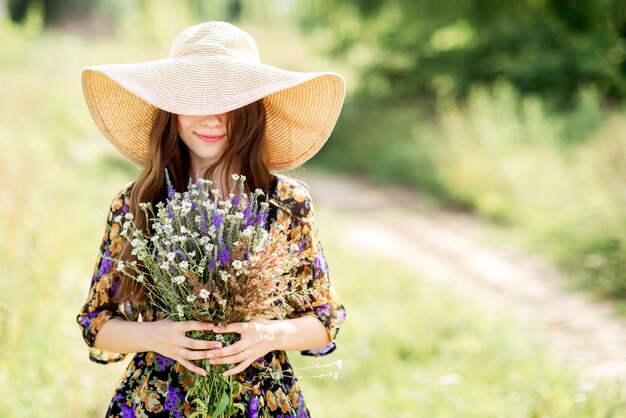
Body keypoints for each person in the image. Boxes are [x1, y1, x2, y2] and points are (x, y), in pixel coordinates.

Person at [76, 21, 347, 417]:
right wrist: (158, 336)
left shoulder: (287, 203)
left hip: (260, 400)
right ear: (170, 109)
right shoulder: (136, 204)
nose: (212, 119)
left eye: (230, 102)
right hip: (159, 401)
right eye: (194, 100)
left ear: (252, 110)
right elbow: (96, 324)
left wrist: (267, 334)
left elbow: (324, 320)